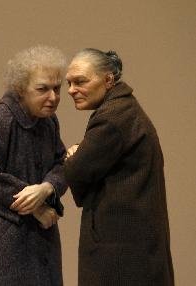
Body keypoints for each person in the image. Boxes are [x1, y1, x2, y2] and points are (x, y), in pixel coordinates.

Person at [64, 48, 174, 286]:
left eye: (81, 81)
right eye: (69, 83)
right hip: (133, 246)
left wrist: (72, 155)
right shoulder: (124, 109)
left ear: (108, 79)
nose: (72, 90)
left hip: (121, 252)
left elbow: (76, 172)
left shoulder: (111, 118)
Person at [0, 46, 68, 285]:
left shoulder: (49, 122)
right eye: (43, 89)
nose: (53, 97)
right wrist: (34, 207)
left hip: (42, 234)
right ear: (20, 89)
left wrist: (47, 187)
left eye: (57, 88)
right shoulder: (2, 119)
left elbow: (62, 164)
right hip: (7, 241)